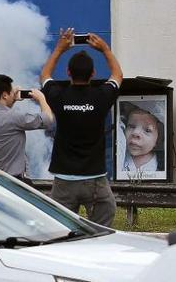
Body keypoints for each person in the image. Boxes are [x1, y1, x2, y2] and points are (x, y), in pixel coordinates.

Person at [40, 28, 122, 226]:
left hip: (63, 179)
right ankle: (95, 248)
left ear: (68, 73)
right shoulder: (101, 97)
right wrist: (105, 49)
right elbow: (118, 75)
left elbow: (44, 76)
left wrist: (59, 49)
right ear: (93, 74)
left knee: (61, 228)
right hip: (95, 179)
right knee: (104, 220)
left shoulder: (58, 96)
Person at [0, 74, 54, 182]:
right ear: (5, 95)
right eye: (11, 92)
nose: (13, 94)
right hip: (15, 182)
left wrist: (12, 100)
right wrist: (41, 98)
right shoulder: (14, 118)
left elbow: (4, 117)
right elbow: (47, 120)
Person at [120, 104, 165, 174]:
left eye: (147, 130)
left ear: (158, 139)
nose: (135, 133)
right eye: (131, 126)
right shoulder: (119, 156)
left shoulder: (162, 165)